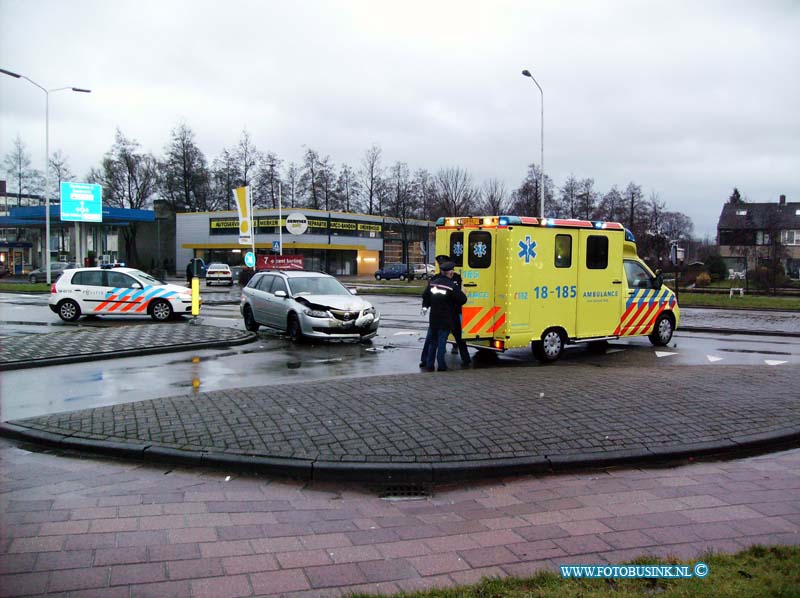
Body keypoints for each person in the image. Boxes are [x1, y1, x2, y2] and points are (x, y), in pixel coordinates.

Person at [421, 261, 467, 372]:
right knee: (442, 343)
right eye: (452, 270)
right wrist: (463, 293)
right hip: (446, 319)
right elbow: (462, 300)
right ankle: (441, 365)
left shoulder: (433, 283)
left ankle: (430, 365)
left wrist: (426, 307)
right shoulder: (451, 286)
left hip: (434, 318)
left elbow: (425, 296)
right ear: (450, 272)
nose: (453, 272)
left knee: (433, 342)